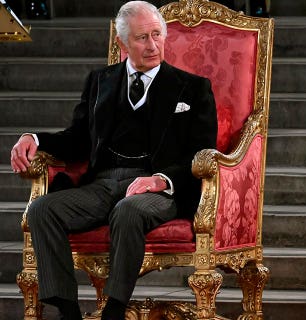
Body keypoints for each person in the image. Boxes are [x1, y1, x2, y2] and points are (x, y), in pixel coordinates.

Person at [10, 1, 217, 319]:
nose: (152, 45)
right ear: (122, 42)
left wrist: (160, 180)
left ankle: (114, 310)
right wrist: (34, 139)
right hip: (103, 183)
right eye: (141, 38)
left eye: (156, 35)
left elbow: (202, 151)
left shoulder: (193, 88)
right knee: (42, 209)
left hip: (157, 188)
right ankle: (68, 309)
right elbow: (77, 139)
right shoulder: (100, 81)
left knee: (128, 211)